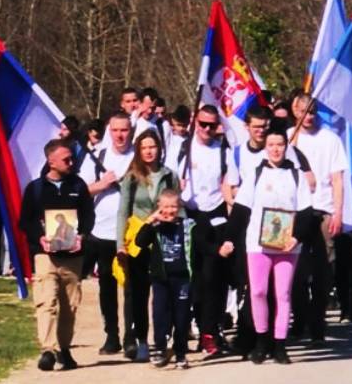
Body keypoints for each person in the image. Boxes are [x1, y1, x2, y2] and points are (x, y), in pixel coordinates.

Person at [223, 121, 313, 364]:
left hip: (288, 245)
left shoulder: (296, 175)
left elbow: (306, 212)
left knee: (283, 294)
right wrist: (229, 238)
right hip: (258, 245)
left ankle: (280, 344)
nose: (275, 149)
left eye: (280, 145)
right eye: (271, 145)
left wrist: (297, 237)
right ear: (265, 147)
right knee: (259, 292)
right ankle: (262, 341)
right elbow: (241, 210)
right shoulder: (256, 174)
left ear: (286, 146)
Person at [19, 139, 94, 371]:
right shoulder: (35, 188)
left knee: (69, 306)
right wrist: (38, 237)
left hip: (73, 257)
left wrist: (82, 235)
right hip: (46, 257)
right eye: (66, 159)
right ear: (51, 161)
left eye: (72, 158)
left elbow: (88, 216)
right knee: (46, 302)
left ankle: (64, 349)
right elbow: (25, 220)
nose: (71, 162)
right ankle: (48, 350)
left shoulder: (78, 186)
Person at [179, 104, 240, 359]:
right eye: (202, 124)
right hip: (189, 217)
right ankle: (188, 329)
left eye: (212, 125)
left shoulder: (224, 151)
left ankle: (211, 331)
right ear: (195, 121)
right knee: (193, 281)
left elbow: (231, 185)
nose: (206, 129)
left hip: (215, 217)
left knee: (215, 278)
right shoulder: (182, 148)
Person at [116, 129, 180, 362]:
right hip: (138, 239)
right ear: (138, 151)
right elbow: (122, 211)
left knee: (164, 292)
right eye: (144, 147)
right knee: (137, 293)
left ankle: (164, 338)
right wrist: (119, 244)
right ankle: (139, 339)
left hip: (163, 239)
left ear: (159, 148)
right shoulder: (131, 177)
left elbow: (177, 206)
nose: (149, 151)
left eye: (152, 146)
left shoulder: (169, 175)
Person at [288, 94, 346, 344]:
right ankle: (300, 319)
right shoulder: (289, 138)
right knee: (297, 272)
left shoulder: (330, 138)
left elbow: (337, 180)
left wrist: (338, 212)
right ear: (295, 111)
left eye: (312, 112)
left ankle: (318, 321)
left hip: (323, 211)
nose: (308, 117)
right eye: (303, 111)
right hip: (296, 213)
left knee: (323, 271)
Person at [78, 111, 135, 356]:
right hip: (100, 231)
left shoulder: (137, 157)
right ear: (108, 131)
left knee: (132, 287)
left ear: (130, 130)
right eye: (115, 130)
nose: (120, 135)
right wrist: (102, 184)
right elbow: (81, 191)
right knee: (107, 287)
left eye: (124, 130)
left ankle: (131, 337)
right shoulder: (98, 155)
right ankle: (111, 336)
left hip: (130, 233)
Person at [135, 189, 194, 370]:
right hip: (161, 278)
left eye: (173, 207)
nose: (169, 211)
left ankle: (181, 353)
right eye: (166, 207)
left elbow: (202, 243)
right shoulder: (155, 227)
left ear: (179, 207)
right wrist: (151, 221)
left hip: (182, 278)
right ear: (159, 207)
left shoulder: (187, 225)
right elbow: (139, 242)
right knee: (160, 314)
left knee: (182, 317)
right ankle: (161, 348)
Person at [164, 105, 191, 173]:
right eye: (179, 125)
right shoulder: (169, 136)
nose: (181, 128)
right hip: (167, 171)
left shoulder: (189, 139)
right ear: (173, 122)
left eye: (184, 126)